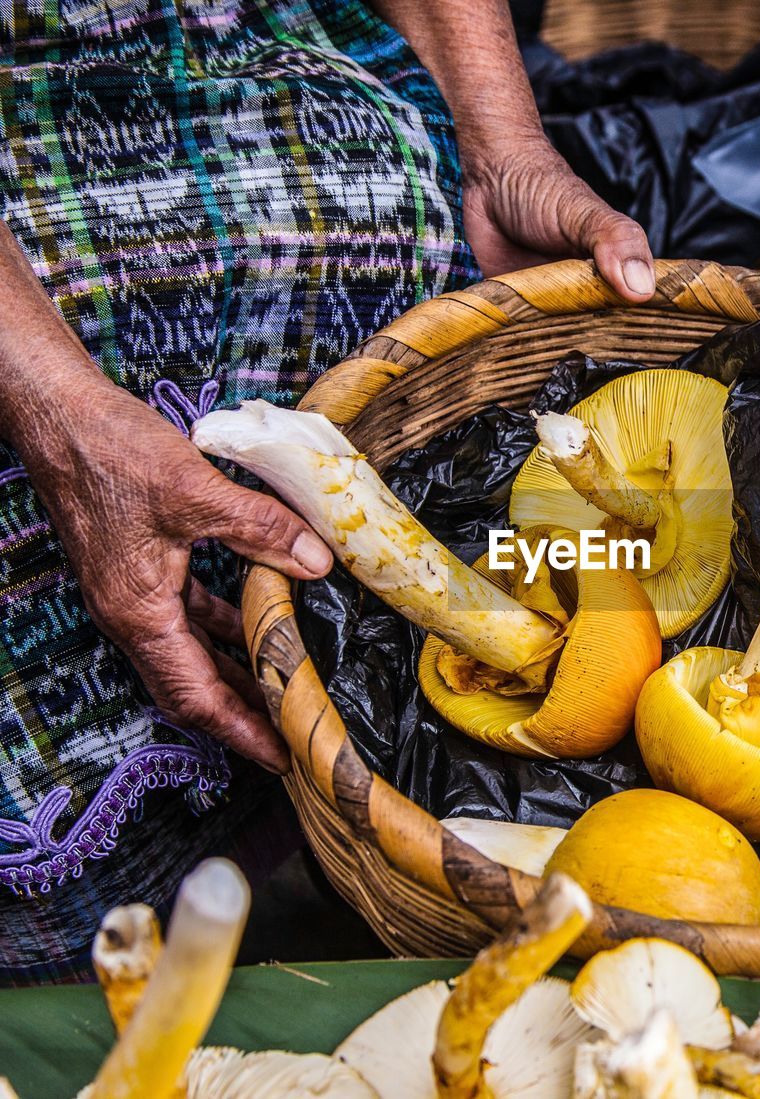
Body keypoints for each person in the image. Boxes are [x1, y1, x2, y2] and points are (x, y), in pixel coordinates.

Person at [0, 0, 654, 984]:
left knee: (390, 212)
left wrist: (504, 145)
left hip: (250, 30)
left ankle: (329, 819)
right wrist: (57, 417)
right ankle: (91, 964)